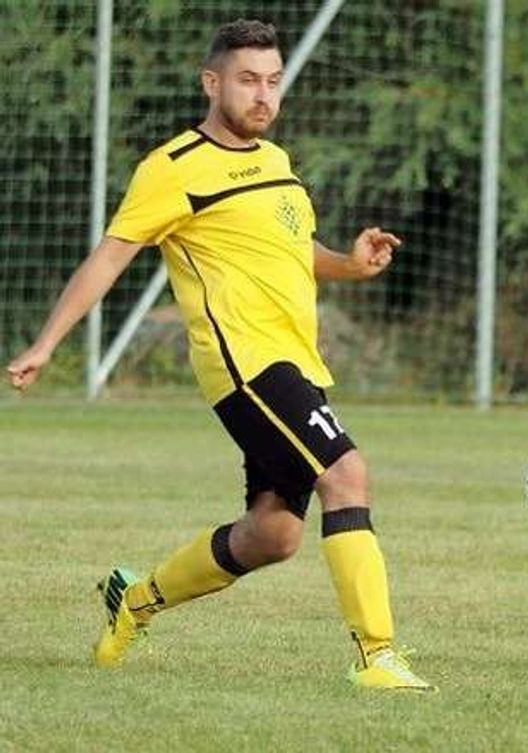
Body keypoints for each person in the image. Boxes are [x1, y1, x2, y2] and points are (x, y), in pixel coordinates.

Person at [6, 19, 434, 692]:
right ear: (212, 83)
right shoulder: (173, 169)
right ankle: (377, 655)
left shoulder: (277, 161)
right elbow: (110, 257)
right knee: (347, 475)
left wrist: (349, 265)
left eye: (273, 81)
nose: (263, 96)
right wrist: (46, 343)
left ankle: (135, 598)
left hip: (296, 362)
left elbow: (294, 255)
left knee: (274, 534)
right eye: (247, 80)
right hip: (248, 365)